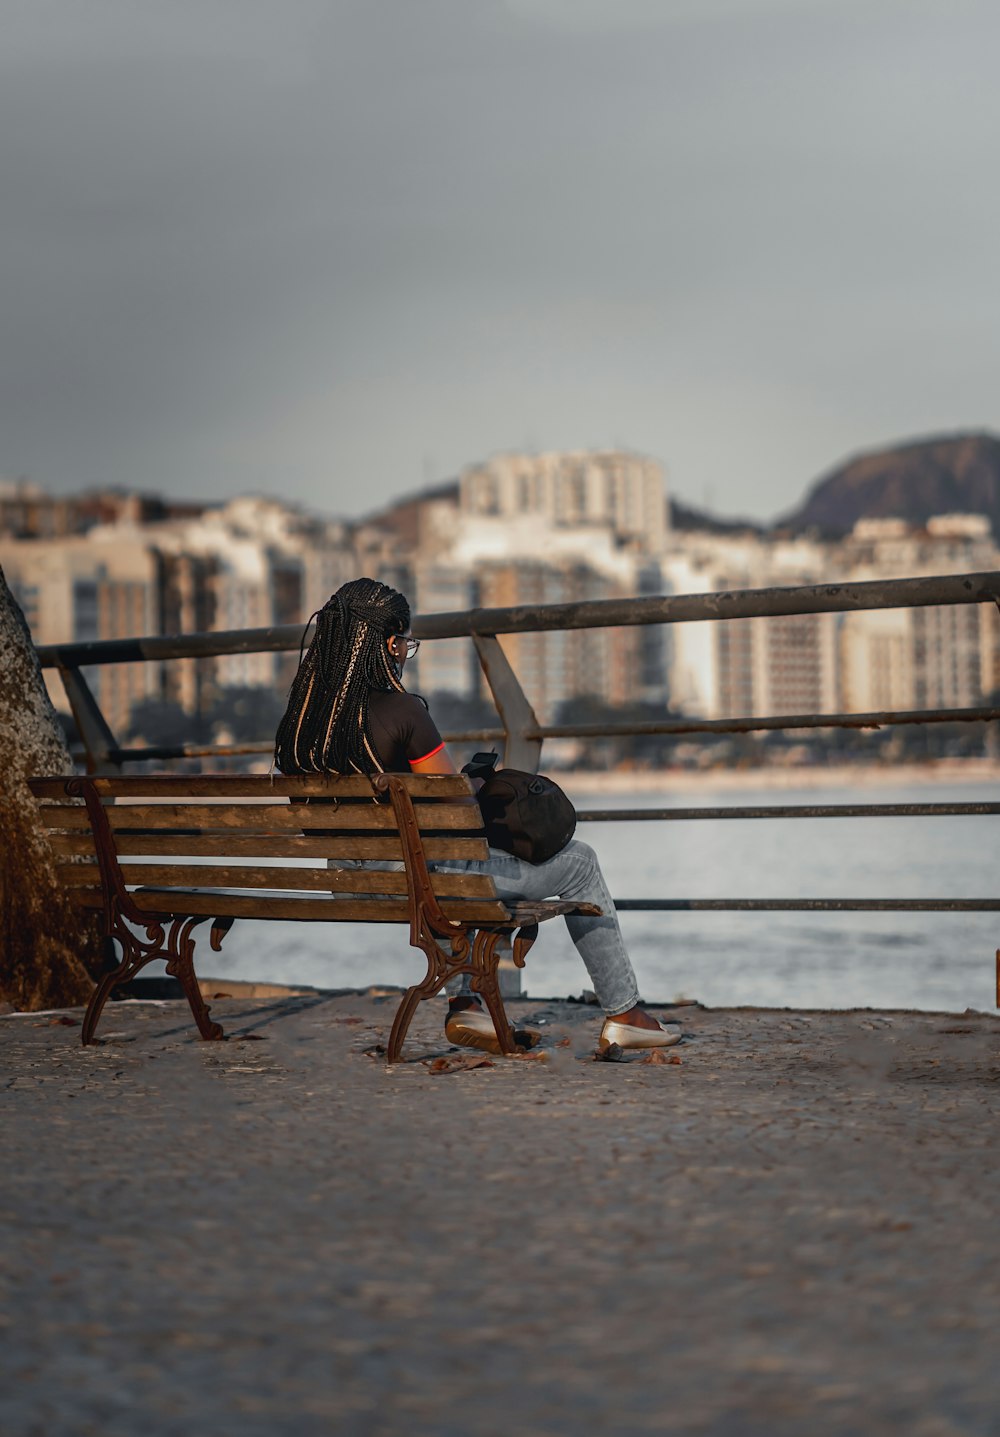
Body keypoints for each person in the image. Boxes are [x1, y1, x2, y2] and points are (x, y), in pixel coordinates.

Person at [274, 577, 680, 1054]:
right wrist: (477, 786)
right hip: (423, 880)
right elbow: (457, 812)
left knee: (442, 867)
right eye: (406, 641)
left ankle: (465, 1004)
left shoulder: (303, 723)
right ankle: (625, 1012)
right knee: (580, 863)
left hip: (350, 881)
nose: (407, 650)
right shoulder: (403, 713)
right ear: (388, 645)